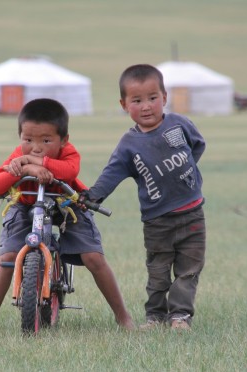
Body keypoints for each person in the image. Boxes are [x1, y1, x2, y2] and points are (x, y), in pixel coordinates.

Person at [0, 98, 134, 334]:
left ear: (63, 139)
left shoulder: (68, 152)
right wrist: (26, 169)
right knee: (7, 256)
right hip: (26, 205)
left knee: (93, 257)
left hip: (67, 204)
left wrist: (34, 162)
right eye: (27, 140)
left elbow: (69, 171)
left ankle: (123, 317)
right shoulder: (18, 156)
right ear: (20, 137)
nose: (35, 147)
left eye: (46, 141)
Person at [85, 64, 206, 331]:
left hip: (192, 213)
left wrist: (187, 176)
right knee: (158, 272)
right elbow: (111, 174)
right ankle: (155, 316)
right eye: (137, 101)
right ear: (124, 104)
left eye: (153, 98)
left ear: (164, 97)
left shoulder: (180, 124)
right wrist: (92, 197)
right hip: (157, 220)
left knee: (189, 269)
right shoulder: (129, 145)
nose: (147, 106)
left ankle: (180, 316)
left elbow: (197, 145)